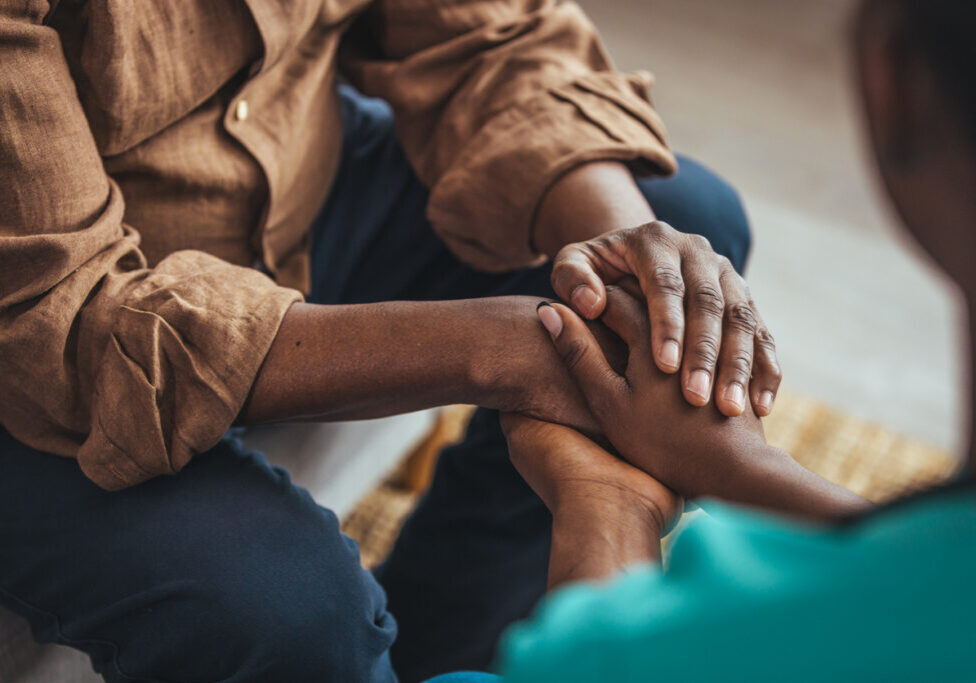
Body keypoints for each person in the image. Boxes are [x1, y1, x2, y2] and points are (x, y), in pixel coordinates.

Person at [0, 1, 777, 681]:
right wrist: (493, 350)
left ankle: (449, 651)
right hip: (38, 344)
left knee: (677, 231)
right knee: (293, 612)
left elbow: (487, 36)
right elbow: (55, 312)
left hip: (294, 197)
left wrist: (619, 252)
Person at [493, 0, 976, 680]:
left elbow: (569, 662)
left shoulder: (699, 641)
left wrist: (605, 504)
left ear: (893, 81)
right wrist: (743, 469)